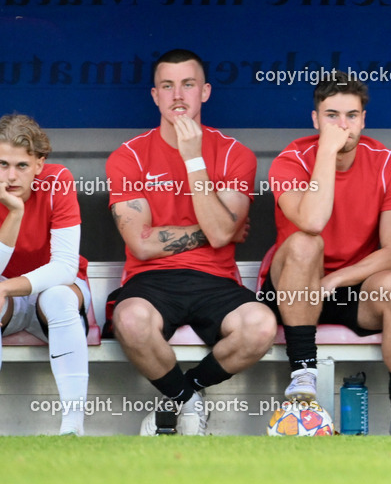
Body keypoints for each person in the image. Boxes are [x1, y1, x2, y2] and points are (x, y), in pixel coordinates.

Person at [106, 49, 276, 435]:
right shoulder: (127, 156)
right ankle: (189, 403)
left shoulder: (236, 154)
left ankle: (183, 394)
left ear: (206, 92)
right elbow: (144, 245)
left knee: (261, 326)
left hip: (215, 279)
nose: (177, 95)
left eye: (188, 84)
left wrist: (194, 160)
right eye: (167, 86)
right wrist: (222, 228)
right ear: (155, 95)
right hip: (151, 280)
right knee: (130, 320)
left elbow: (220, 235)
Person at [262, 72, 391, 436]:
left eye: (351, 116)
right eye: (332, 115)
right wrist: (326, 152)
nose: (342, 125)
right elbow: (312, 221)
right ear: (315, 119)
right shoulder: (290, 160)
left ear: (364, 120)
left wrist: (335, 280)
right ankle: (303, 376)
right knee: (306, 242)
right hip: (295, 285)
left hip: (354, 285)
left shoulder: (388, 163)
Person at [0, 114, 90, 435]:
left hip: (49, 289)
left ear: (39, 164)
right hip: (4, 296)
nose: (11, 176)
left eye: (21, 165)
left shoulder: (58, 181)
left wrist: (9, 288)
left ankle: (72, 427)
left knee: (60, 296)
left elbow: (65, 267)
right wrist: (16, 212)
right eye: (2, 164)